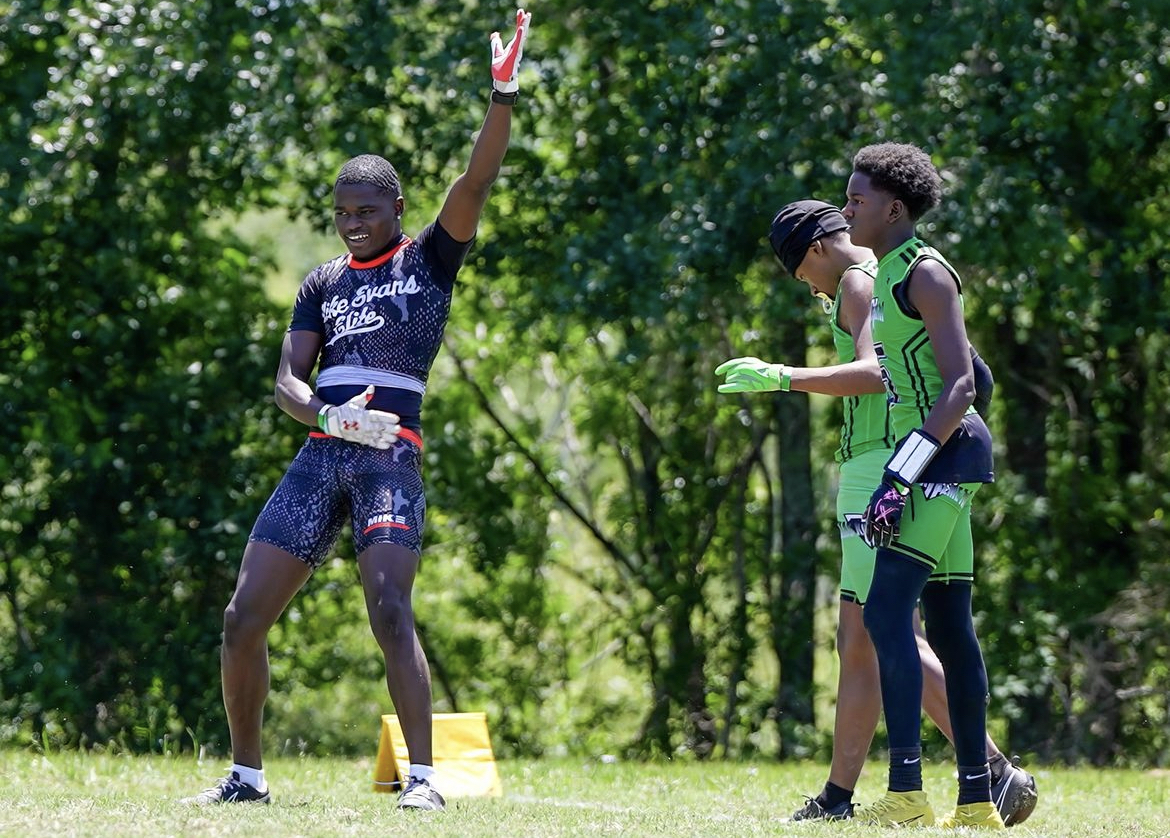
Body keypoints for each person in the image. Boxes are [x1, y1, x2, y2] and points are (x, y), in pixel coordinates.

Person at [183, 9, 532, 811]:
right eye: (342, 212)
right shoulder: (323, 281)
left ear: (397, 208)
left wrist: (502, 93)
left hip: (389, 458)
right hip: (326, 450)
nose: (353, 222)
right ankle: (246, 776)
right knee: (242, 618)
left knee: (388, 606)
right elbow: (287, 382)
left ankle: (421, 780)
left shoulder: (429, 261)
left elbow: (475, 181)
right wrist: (326, 418)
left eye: (366, 210)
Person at [715, 201, 1037, 827]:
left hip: (882, 461)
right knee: (859, 636)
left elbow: (876, 373)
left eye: (798, 275)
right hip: (885, 457)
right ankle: (844, 793)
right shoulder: (879, 274)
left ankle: (990, 771)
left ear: (811, 252)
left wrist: (783, 376)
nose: (807, 288)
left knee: (887, 627)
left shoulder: (862, 281)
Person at [829, 142, 1008, 829]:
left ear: (894, 208)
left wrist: (900, 475)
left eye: (857, 200)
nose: (847, 211)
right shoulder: (888, 274)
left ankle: (906, 793)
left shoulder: (927, 273)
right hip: (934, 462)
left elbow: (962, 386)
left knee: (883, 615)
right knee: (950, 628)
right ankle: (975, 803)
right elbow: (975, 376)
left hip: (938, 464)